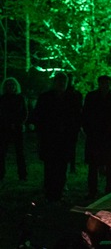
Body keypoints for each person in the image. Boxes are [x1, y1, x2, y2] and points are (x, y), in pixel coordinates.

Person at [31, 72, 77, 202]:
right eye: (60, 82)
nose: (62, 84)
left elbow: (75, 117)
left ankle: (57, 191)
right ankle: (51, 191)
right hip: (50, 137)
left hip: (63, 137)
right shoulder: (46, 97)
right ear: (55, 82)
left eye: (64, 82)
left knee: (60, 166)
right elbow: (39, 116)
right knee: (51, 165)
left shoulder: (70, 97)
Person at [82, 75, 111, 198]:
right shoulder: (93, 97)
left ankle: (108, 189)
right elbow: (86, 115)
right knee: (95, 165)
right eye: (103, 83)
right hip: (96, 135)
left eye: (106, 83)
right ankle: (94, 190)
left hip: (107, 136)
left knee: (109, 165)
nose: (105, 85)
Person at [0, 77, 28, 181]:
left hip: (17, 128)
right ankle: (1, 173)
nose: (11, 87)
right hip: (4, 129)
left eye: (12, 85)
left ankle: (22, 174)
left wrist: (19, 123)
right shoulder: (2, 99)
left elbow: (24, 113)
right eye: (8, 85)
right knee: (2, 153)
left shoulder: (20, 98)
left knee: (20, 153)